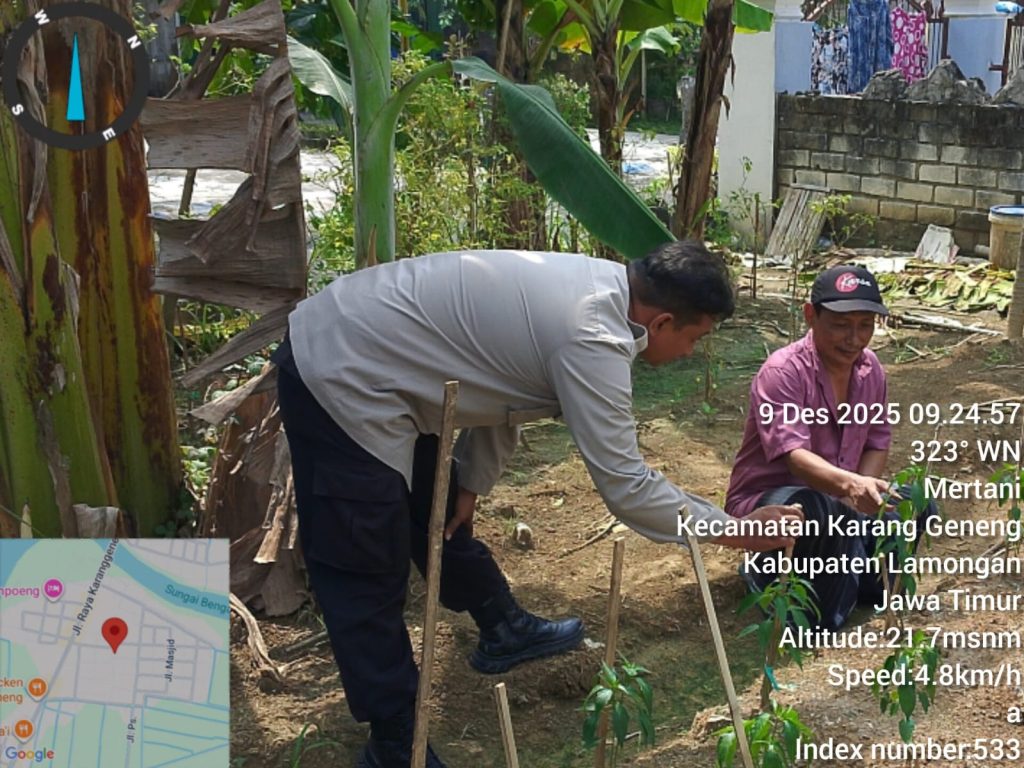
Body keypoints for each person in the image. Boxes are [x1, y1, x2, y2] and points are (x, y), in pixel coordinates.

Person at [272, 241, 802, 768]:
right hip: (341, 366)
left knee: (436, 501)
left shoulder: (598, 285)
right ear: (662, 321)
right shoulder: (592, 336)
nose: (691, 353)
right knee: (365, 557)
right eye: (695, 338)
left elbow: (503, 383)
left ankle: (502, 627)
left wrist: (472, 483)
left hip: (389, 353)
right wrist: (734, 530)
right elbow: (627, 484)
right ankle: (393, 741)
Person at [725, 265, 936, 631]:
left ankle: (866, 587)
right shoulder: (783, 371)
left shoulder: (871, 371)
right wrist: (849, 489)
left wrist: (862, 494)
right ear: (811, 315)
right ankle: (770, 577)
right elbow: (795, 458)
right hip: (772, 502)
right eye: (841, 324)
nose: (854, 338)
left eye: (865, 325)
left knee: (915, 501)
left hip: (839, 501)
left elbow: (876, 440)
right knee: (814, 509)